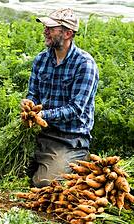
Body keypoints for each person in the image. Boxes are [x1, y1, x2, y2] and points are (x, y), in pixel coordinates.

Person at [21, 8, 99, 188]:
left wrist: (43, 116)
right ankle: (52, 162)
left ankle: (78, 158)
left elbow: (75, 109)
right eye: (45, 26)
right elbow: (33, 94)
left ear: (68, 33)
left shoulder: (84, 65)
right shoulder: (41, 59)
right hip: (42, 133)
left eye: (51, 27)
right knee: (7, 169)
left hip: (69, 138)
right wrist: (28, 105)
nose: (45, 31)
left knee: (44, 184)